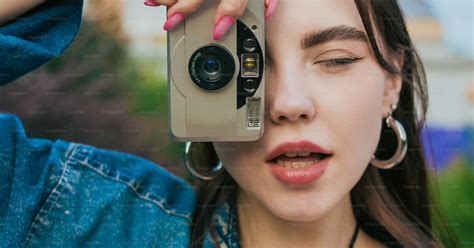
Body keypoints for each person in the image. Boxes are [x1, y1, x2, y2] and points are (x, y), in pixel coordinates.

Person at [0, 0, 458, 247]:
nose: (288, 103)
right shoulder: (86, 219)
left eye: (335, 60)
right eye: (245, 65)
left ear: (391, 82)